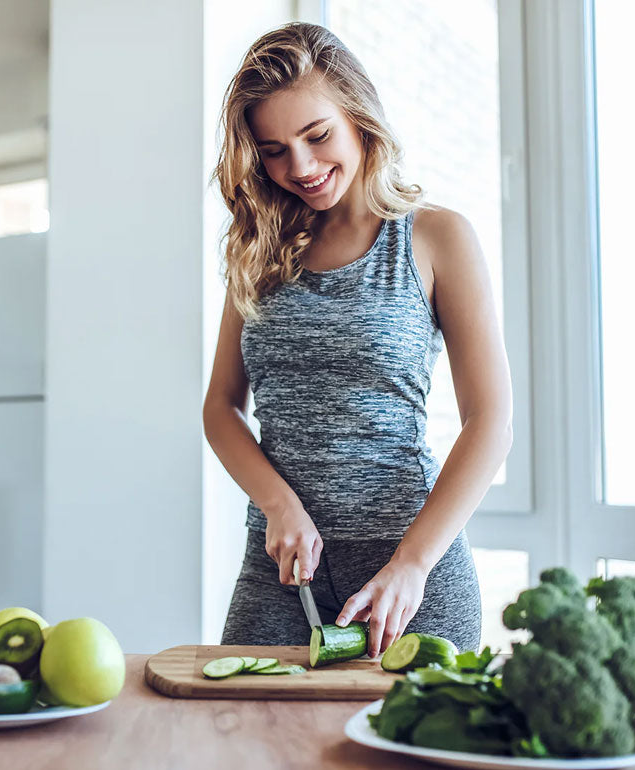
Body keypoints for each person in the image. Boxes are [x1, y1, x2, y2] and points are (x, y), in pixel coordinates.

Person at [204, 22, 513, 656]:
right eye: (273, 150)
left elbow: (491, 420)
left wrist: (413, 563)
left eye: (317, 136)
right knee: (242, 720)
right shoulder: (256, 250)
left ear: (359, 116)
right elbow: (221, 408)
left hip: (409, 570)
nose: (301, 167)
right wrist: (278, 505)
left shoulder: (436, 238)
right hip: (280, 571)